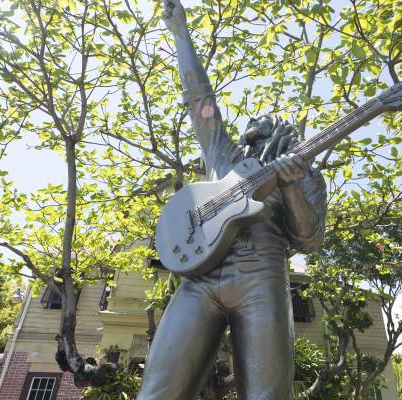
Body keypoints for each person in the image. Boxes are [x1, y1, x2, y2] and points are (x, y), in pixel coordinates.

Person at [137, 1, 327, 398]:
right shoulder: (224, 156)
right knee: (158, 391)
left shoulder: (306, 174)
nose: (258, 126)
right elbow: (199, 101)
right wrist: (180, 33)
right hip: (200, 279)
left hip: (261, 279)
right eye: (254, 125)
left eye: (268, 124)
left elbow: (309, 240)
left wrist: (291, 188)